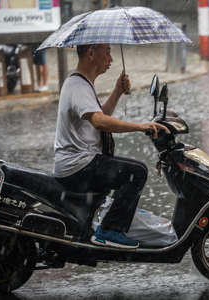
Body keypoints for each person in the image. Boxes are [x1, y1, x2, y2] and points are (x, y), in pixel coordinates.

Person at [54, 43, 169, 249]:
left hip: (82, 162)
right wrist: (140, 126)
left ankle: (107, 226)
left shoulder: (83, 84)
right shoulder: (77, 86)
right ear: (91, 53)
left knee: (131, 170)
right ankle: (110, 231)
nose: (111, 58)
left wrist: (116, 91)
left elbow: (99, 115)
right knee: (136, 172)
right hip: (78, 165)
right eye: (107, 51)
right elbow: (99, 121)